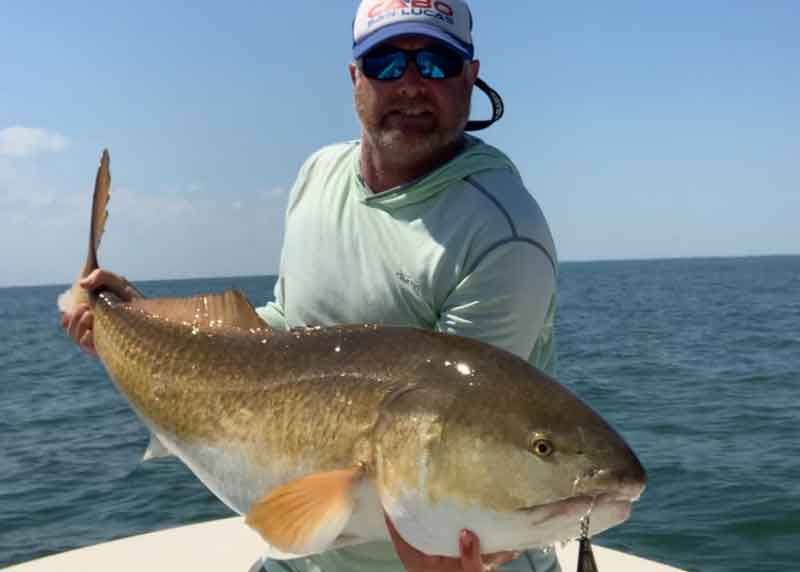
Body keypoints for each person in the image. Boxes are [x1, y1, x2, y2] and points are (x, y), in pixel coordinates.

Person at [61, 1, 559, 571]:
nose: (413, 85)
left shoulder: (502, 236)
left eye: (438, 62)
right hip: (302, 557)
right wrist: (132, 319)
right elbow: (283, 330)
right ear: (355, 78)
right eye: (386, 64)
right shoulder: (318, 175)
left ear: (471, 76)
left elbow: (464, 444)